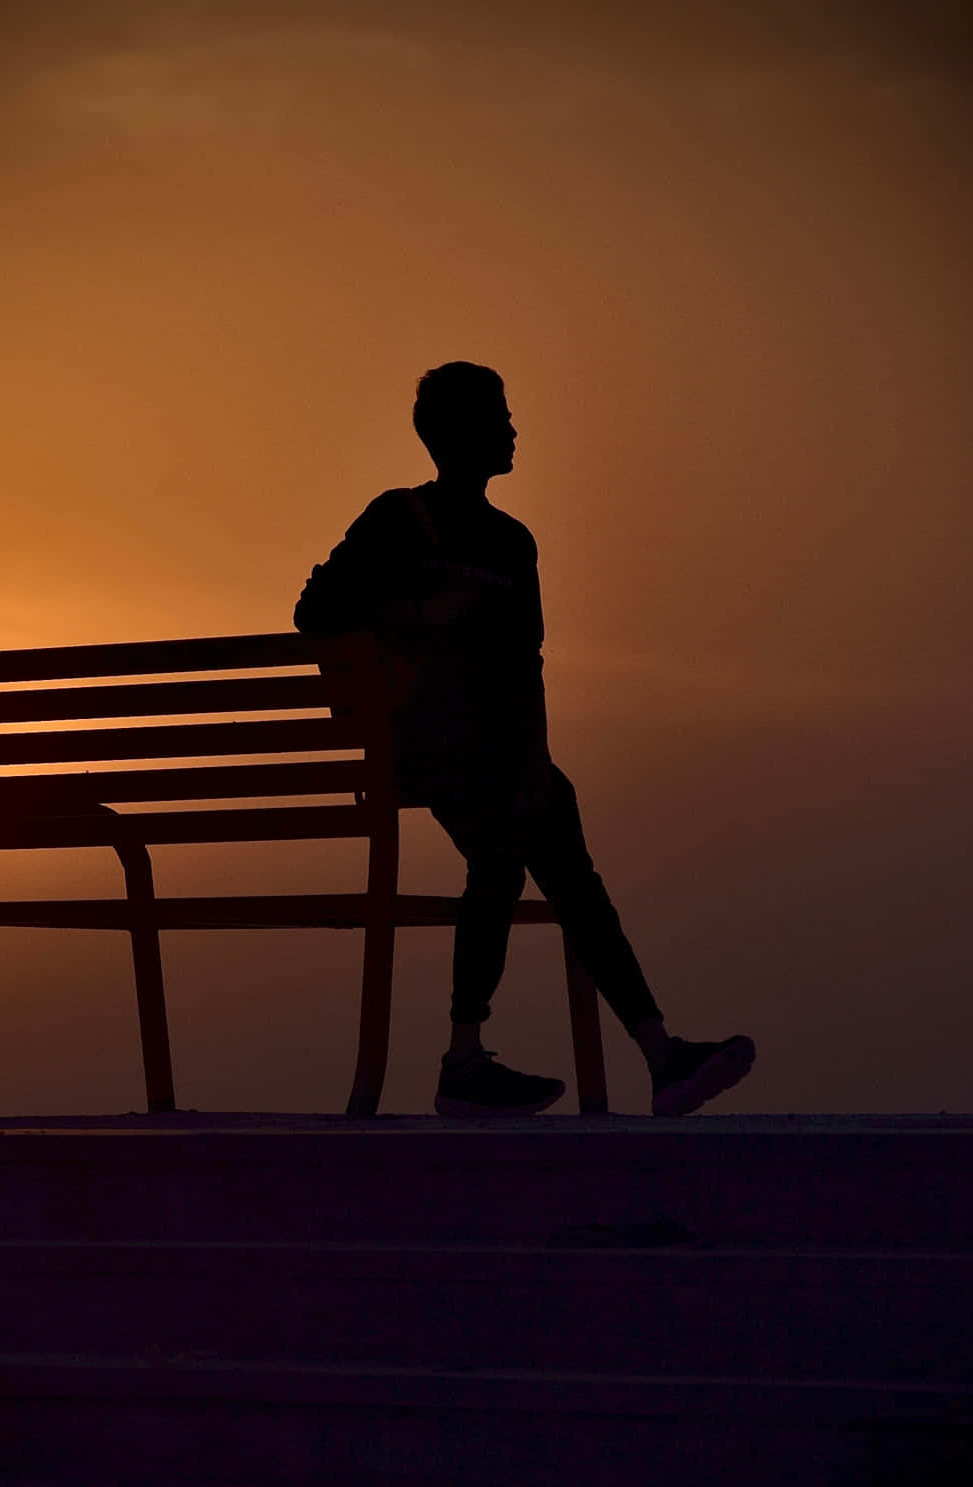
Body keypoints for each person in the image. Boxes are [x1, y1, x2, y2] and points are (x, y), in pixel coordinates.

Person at [294, 361, 755, 1118]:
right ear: (458, 433)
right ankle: (633, 1054)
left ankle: (620, 1055)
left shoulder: (513, 543)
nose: (513, 430)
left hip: (494, 755)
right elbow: (315, 612)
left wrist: (536, 758)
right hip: (418, 748)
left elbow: (524, 666)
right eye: (498, 417)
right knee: (525, 845)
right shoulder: (397, 519)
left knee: (538, 837)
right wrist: (418, 616)